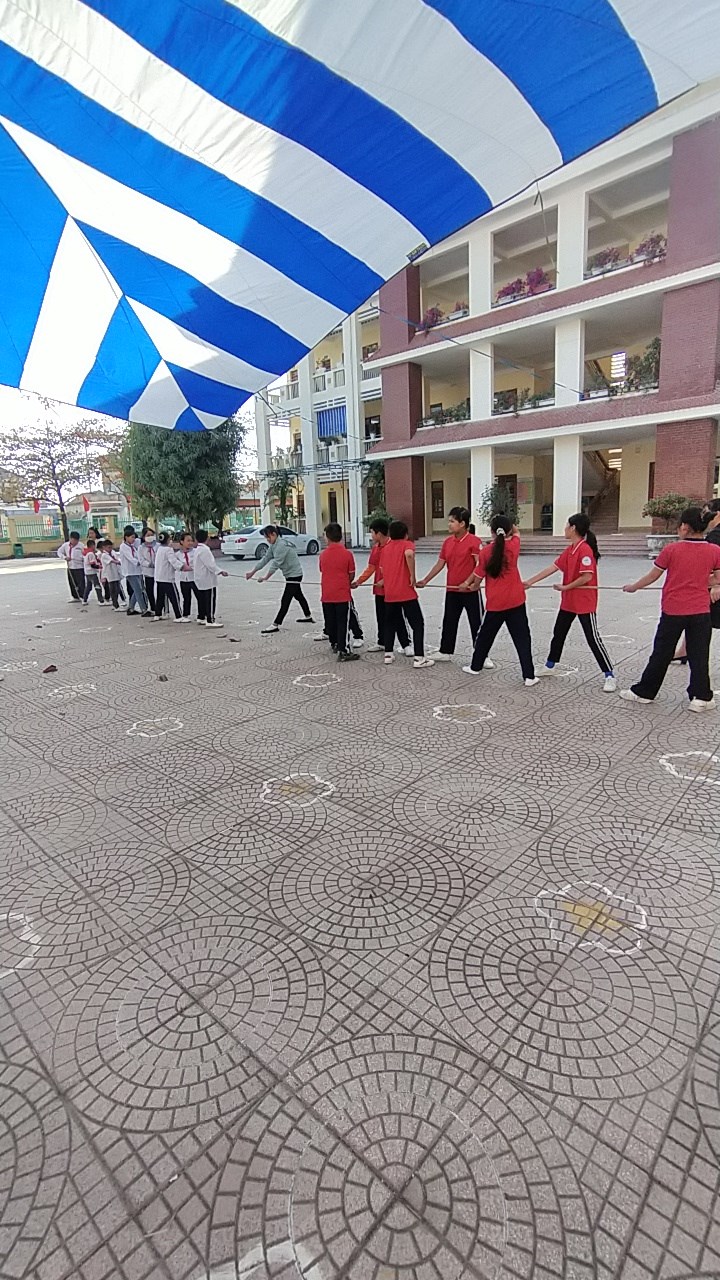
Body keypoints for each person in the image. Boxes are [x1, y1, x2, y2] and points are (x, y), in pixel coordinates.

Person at [620, 506, 720, 711]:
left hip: (673, 610)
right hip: (700, 611)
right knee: (699, 655)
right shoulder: (714, 550)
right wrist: (700, 580)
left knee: (662, 653)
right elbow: (718, 579)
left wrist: (633, 587)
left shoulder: (672, 549)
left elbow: (652, 576)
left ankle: (645, 692)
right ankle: (701, 698)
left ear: (684, 527)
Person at [523, 512, 616, 691]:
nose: (564, 529)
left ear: (573, 528)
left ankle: (609, 675)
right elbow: (553, 567)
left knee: (592, 638)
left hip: (584, 602)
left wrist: (566, 587)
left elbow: (587, 576)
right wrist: (530, 582)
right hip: (569, 602)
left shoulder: (584, 550)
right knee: (559, 632)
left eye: (566, 525)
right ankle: (550, 665)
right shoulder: (570, 550)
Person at [460, 516, 538, 685]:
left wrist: (470, 586)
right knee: (522, 639)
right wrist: (510, 527)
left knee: (484, 637)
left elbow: (478, 578)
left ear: (492, 531)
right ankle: (529, 676)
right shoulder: (514, 545)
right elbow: (517, 532)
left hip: (496, 603)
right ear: (509, 530)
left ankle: (475, 667)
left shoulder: (486, 551)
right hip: (516, 600)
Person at [417, 506, 487, 663]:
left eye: (452, 521)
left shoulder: (474, 541)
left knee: (476, 623)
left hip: (470, 590)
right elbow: (440, 564)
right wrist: (425, 580)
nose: (449, 524)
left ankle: (482, 654)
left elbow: (480, 565)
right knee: (449, 621)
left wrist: (468, 582)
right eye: (449, 521)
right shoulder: (447, 542)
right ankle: (445, 651)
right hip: (452, 589)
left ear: (462, 524)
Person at [351, 518, 411, 655]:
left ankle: (406, 644)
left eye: (372, 532)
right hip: (379, 590)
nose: (371, 535)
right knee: (381, 617)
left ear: (379, 533)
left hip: (393, 589)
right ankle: (382, 642)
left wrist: (385, 580)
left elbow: (398, 568)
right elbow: (371, 568)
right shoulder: (375, 548)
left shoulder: (393, 546)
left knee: (398, 617)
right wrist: (359, 581)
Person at [379, 520, 434, 668]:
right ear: (405, 534)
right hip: (406, 593)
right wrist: (412, 576)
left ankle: (388, 654)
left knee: (390, 623)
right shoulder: (407, 544)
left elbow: (383, 570)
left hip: (390, 593)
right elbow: (409, 555)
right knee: (417, 624)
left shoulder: (385, 549)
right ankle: (419, 658)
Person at [246, 525, 314, 632]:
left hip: (295, 575)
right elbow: (265, 559)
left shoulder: (281, 545)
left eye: (268, 537)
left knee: (285, 600)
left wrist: (265, 577)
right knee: (299, 596)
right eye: (266, 538)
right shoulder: (274, 545)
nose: (267, 540)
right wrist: (252, 572)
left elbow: (276, 564)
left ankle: (276, 624)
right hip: (290, 575)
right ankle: (308, 616)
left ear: (274, 534)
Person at [319, 522, 360, 662]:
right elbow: (351, 573)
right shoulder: (347, 554)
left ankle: (334, 643)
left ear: (328, 537)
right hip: (342, 594)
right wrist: (347, 582)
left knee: (330, 621)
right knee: (343, 622)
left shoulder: (323, 555)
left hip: (326, 594)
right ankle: (344, 650)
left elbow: (322, 570)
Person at [193, 529, 228, 627]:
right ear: (207, 538)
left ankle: (201, 617)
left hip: (200, 578)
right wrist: (220, 571)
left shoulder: (197, 549)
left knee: (202, 599)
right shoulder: (205, 550)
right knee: (210, 600)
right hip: (207, 579)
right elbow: (210, 565)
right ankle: (210, 620)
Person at [119, 526, 152, 617]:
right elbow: (130, 558)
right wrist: (140, 562)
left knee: (138, 589)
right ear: (126, 537)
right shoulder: (123, 546)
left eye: (134, 537)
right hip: (130, 571)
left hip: (137, 571)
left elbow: (138, 554)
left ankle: (131, 608)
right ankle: (144, 609)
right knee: (138, 590)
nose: (133, 539)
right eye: (132, 537)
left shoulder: (133, 546)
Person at [152, 532, 183, 621]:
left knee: (160, 597)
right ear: (168, 540)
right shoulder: (169, 550)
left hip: (159, 577)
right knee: (175, 597)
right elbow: (173, 561)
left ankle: (157, 614)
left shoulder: (159, 549)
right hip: (168, 578)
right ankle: (179, 616)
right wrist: (182, 567)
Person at [57, 531, 85, 601]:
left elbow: (84, 555)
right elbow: (59, 552)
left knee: (81, 582)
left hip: (79, 567)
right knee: (72, 582)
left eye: (76, 540)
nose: (75, 542)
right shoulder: (66, 545)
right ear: (70, 539)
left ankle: (82, 596)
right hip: (70, 566)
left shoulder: (81, 546)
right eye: (74, 540)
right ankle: (75, 597)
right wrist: (64, 557)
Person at [178, 531, 199, 622]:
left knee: (199, 596)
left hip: (194, 577)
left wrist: (191, 568)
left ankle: (202, 614)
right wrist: (181, 567)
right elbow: (176, 565)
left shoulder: (195, 552)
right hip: (184, 578)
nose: (190, 543)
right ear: (182, 542)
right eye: (188, 541)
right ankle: (186, 614)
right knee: (186, 597)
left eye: (191, 541)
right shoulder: (178, 554)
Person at [137, 528, 157, 612]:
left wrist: (156, 563)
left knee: (161, 590)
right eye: (148, 535)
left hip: (158, 571)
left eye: (152, 535)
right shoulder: (141, 547)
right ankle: (153, 607)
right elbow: (141, 559)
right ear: (143, 536)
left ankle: (161, 606)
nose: (150, 537)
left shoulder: (157, 546)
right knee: (149, 589)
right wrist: (148, 564)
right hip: (147, 571)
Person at [100, 539, 122, 610]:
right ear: (104, 547)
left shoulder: (113, 552)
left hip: (116, 573)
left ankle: (116, 603)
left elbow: (117, 558)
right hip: (110, 575)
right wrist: (118, 562)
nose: (110, 549)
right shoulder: (104, 555)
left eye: (111, 547)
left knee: (117, 589)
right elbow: (112, 560)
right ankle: (115, 605)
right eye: (108, 547)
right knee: (113, 590)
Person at [82, 538, 104, 605]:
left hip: (87, 572)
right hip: (92, 572)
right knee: (97, 586)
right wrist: (100, 567)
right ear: (92, 545)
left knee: (88, 587)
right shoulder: (91, 554)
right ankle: (101, 600)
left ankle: (84, 599)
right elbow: (93, 564)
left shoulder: (86, 553)